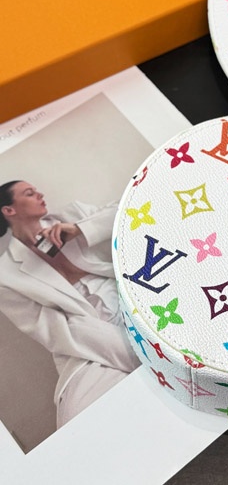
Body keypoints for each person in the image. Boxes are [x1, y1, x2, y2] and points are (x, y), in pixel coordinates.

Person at [0, 180, 139, 428]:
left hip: (126, 298)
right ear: (9, 210)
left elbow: (130, 208)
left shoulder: (72, 215)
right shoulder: (5, 276)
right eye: (30, 193)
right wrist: (135, 354)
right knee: (78, 413)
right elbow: (54, 330)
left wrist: (80, 229)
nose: (40, 194)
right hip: (86, 336)